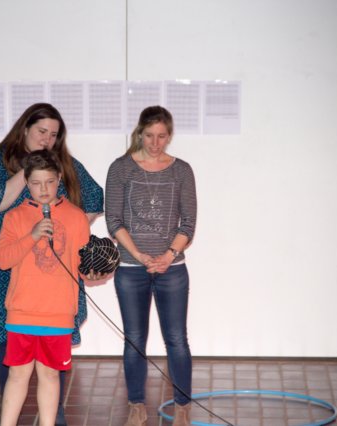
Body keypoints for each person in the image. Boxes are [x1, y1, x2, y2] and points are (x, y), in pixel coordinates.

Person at [0, 103, 104, 424]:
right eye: (42, 131)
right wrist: (29, 169)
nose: (47, 139)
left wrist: (72, 231)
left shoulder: (64, 163)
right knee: (10, 344)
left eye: (54, 135)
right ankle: (11, 414)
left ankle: (53, 417)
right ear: (25, 128)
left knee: (50, 361)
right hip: (3, 260)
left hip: (51, 274)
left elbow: (95, 197)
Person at [105, 106, 197, 426]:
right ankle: (136, 405)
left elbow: (189, 223)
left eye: (162, 136)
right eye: (149, 136)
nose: (155, 143)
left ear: (169, 136)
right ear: (139, 133)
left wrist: (168, 255)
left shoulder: (181, 170)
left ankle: (182, 407)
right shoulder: (121, 168)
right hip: (132, 269)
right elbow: (113, 220)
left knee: (177, 339)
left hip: (172, 269)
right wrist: (140, 255)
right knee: (134, 339)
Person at [0, 149, 91, 426]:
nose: (44, 189)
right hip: (22, 311)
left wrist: (95, 268)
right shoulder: (14, 217)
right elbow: (3, 260)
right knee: (18, 374)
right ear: (26, 182)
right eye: (36, 183)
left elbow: (82, 265)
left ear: (59, 178)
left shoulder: (76, 217)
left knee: (50, 375)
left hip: (58, 312)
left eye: (49, 182)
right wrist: (33, 235)